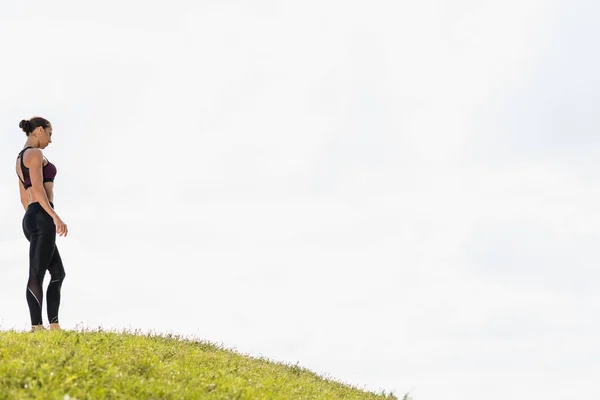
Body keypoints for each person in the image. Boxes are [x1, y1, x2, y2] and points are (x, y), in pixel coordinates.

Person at [15, 117, 68, 332]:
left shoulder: (19, 158)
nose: (50, 139)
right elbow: (37, 188)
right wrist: (53, 216)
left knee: (58, 273)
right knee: (37, 274)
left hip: (31, 216)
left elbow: (23, 198)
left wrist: (34, 217)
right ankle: (37, 328)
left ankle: (53, 325)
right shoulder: (35, 154)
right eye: (49, 133)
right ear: (38, 130)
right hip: (41, 216)